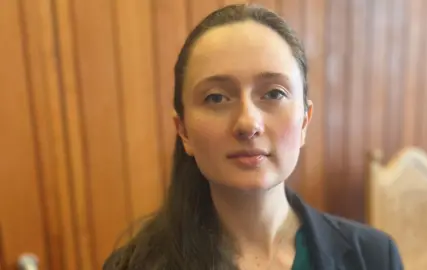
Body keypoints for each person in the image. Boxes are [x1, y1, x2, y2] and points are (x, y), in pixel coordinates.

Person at [103, 3, 403, 270]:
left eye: (274, 93)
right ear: (184, 131)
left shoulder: (374, 256)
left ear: (304, 123)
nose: (248, 123)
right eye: (217, 98)